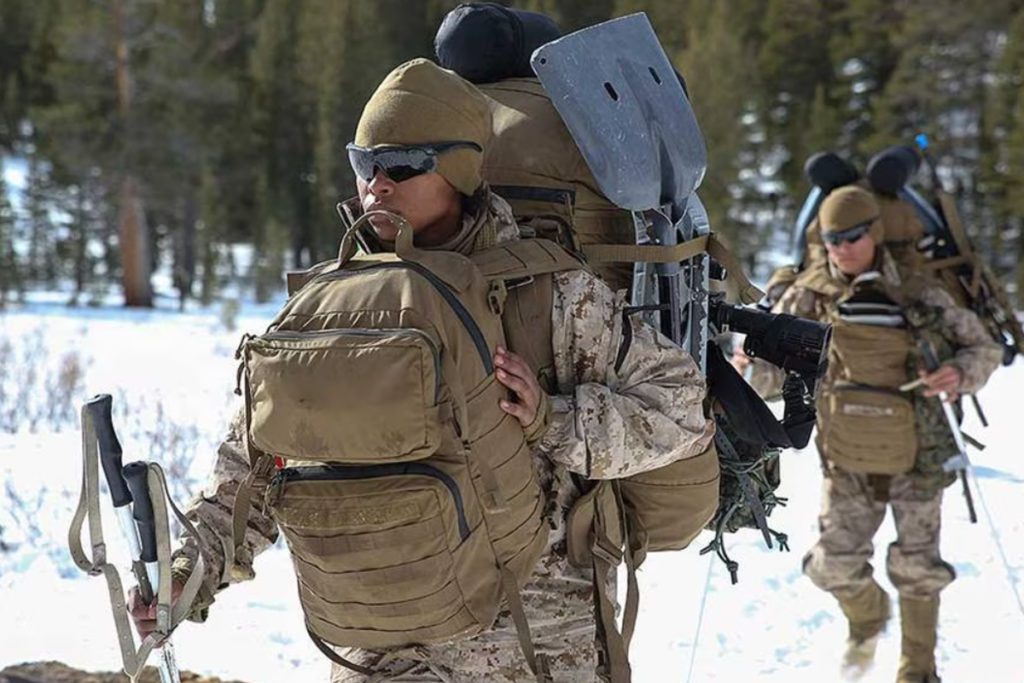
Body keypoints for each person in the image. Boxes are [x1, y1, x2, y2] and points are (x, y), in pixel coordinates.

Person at [130, 58, 716, 682]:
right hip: (380, 651)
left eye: (404, 165)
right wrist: (186, 576)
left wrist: (554, 420)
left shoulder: (546, 294)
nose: (377, 185)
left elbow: (681, 408)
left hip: (537, 643)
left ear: (462, 171)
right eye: (365, 164)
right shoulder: (325, 315)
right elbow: (250, 474)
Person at [737, 186, 1002, 682]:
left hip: (918, 454)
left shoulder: (918, 290)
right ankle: (868, 616)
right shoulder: (810, 295)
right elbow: (774, 373)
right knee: (832, 566)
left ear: (875, 233)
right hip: (847, 457)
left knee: (919, 568)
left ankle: (917, 669)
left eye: (854, 237)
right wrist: (749, 368)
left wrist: (957, 373)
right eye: (833, 238)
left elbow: (981, 348)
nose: (843, 248)